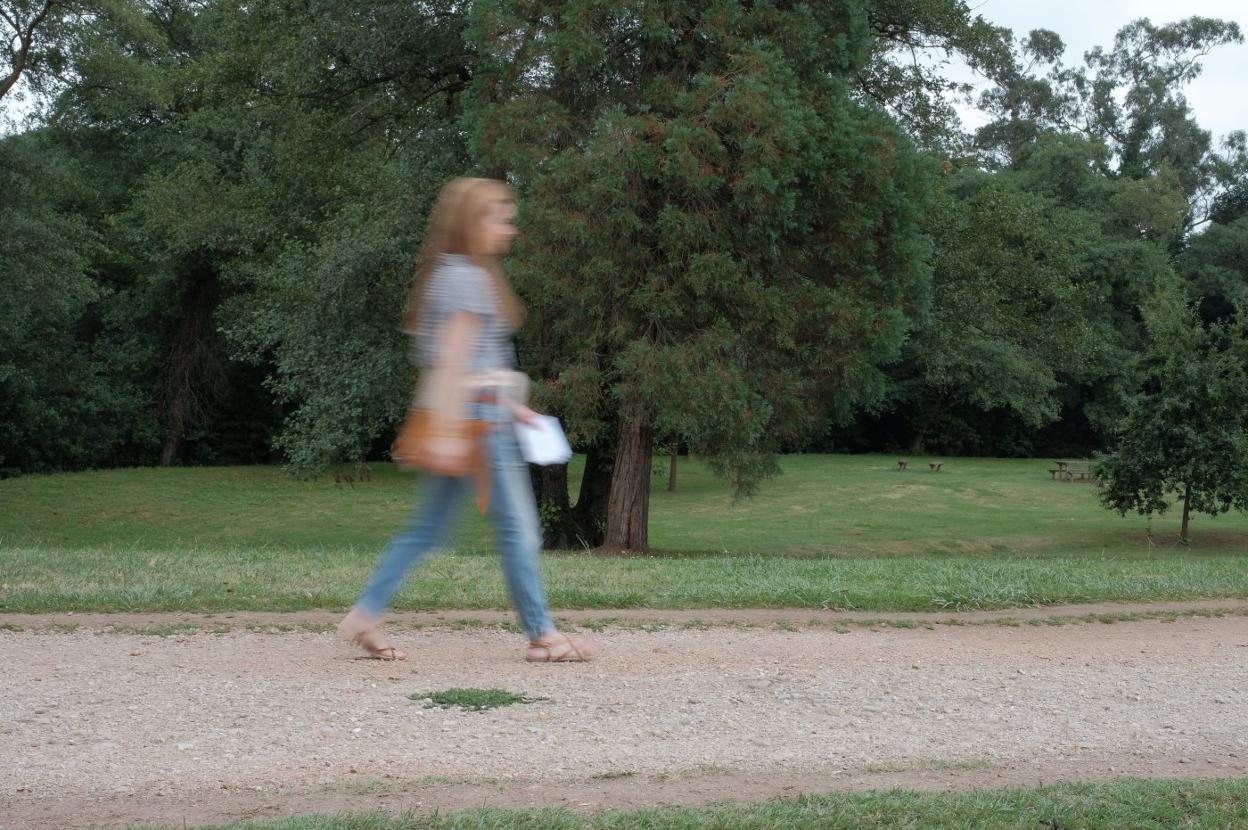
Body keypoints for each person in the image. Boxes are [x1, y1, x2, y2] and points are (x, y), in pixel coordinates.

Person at [337, 177, 600, 663]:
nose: (509, 229)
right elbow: (456, 362)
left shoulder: (449, 273)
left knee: (427, 529)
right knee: (518, 530)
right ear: (472, 224)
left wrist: (515, 409)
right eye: (500, 218)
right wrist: (450, 434)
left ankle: (365, 614)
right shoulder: (468, 280)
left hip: (473, 417)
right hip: (477, 428)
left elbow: (469, 365)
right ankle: (542, 635)